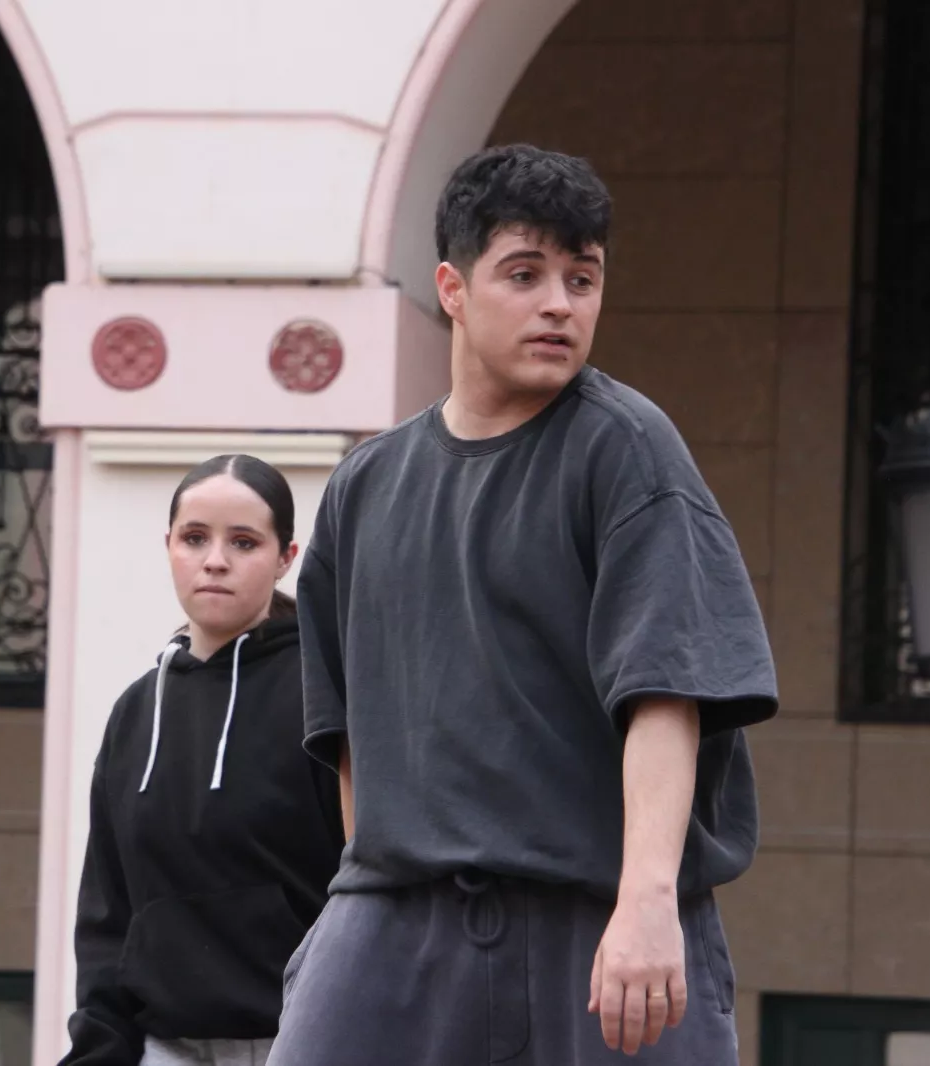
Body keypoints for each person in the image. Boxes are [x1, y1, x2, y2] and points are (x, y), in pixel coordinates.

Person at [268, 144, 779, 1066]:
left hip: (599, 921)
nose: (559, 304)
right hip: (395, 923)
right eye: (524, 274)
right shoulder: (364, 487)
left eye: (583, 279)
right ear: (453, 289)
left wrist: (647, 903)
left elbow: (668, 695)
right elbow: (348, 742)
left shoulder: (627, 450)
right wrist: (359, 910)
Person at [61, 455, 345, 1066]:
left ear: (286, 557)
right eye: (195, 538)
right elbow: (107, 912)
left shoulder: (325, 696)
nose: (215, 560)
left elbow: (366, 883)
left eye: (243, 542)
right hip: (162, 1048)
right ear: (168, 546)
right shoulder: (136, 712)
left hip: (303, 1043)